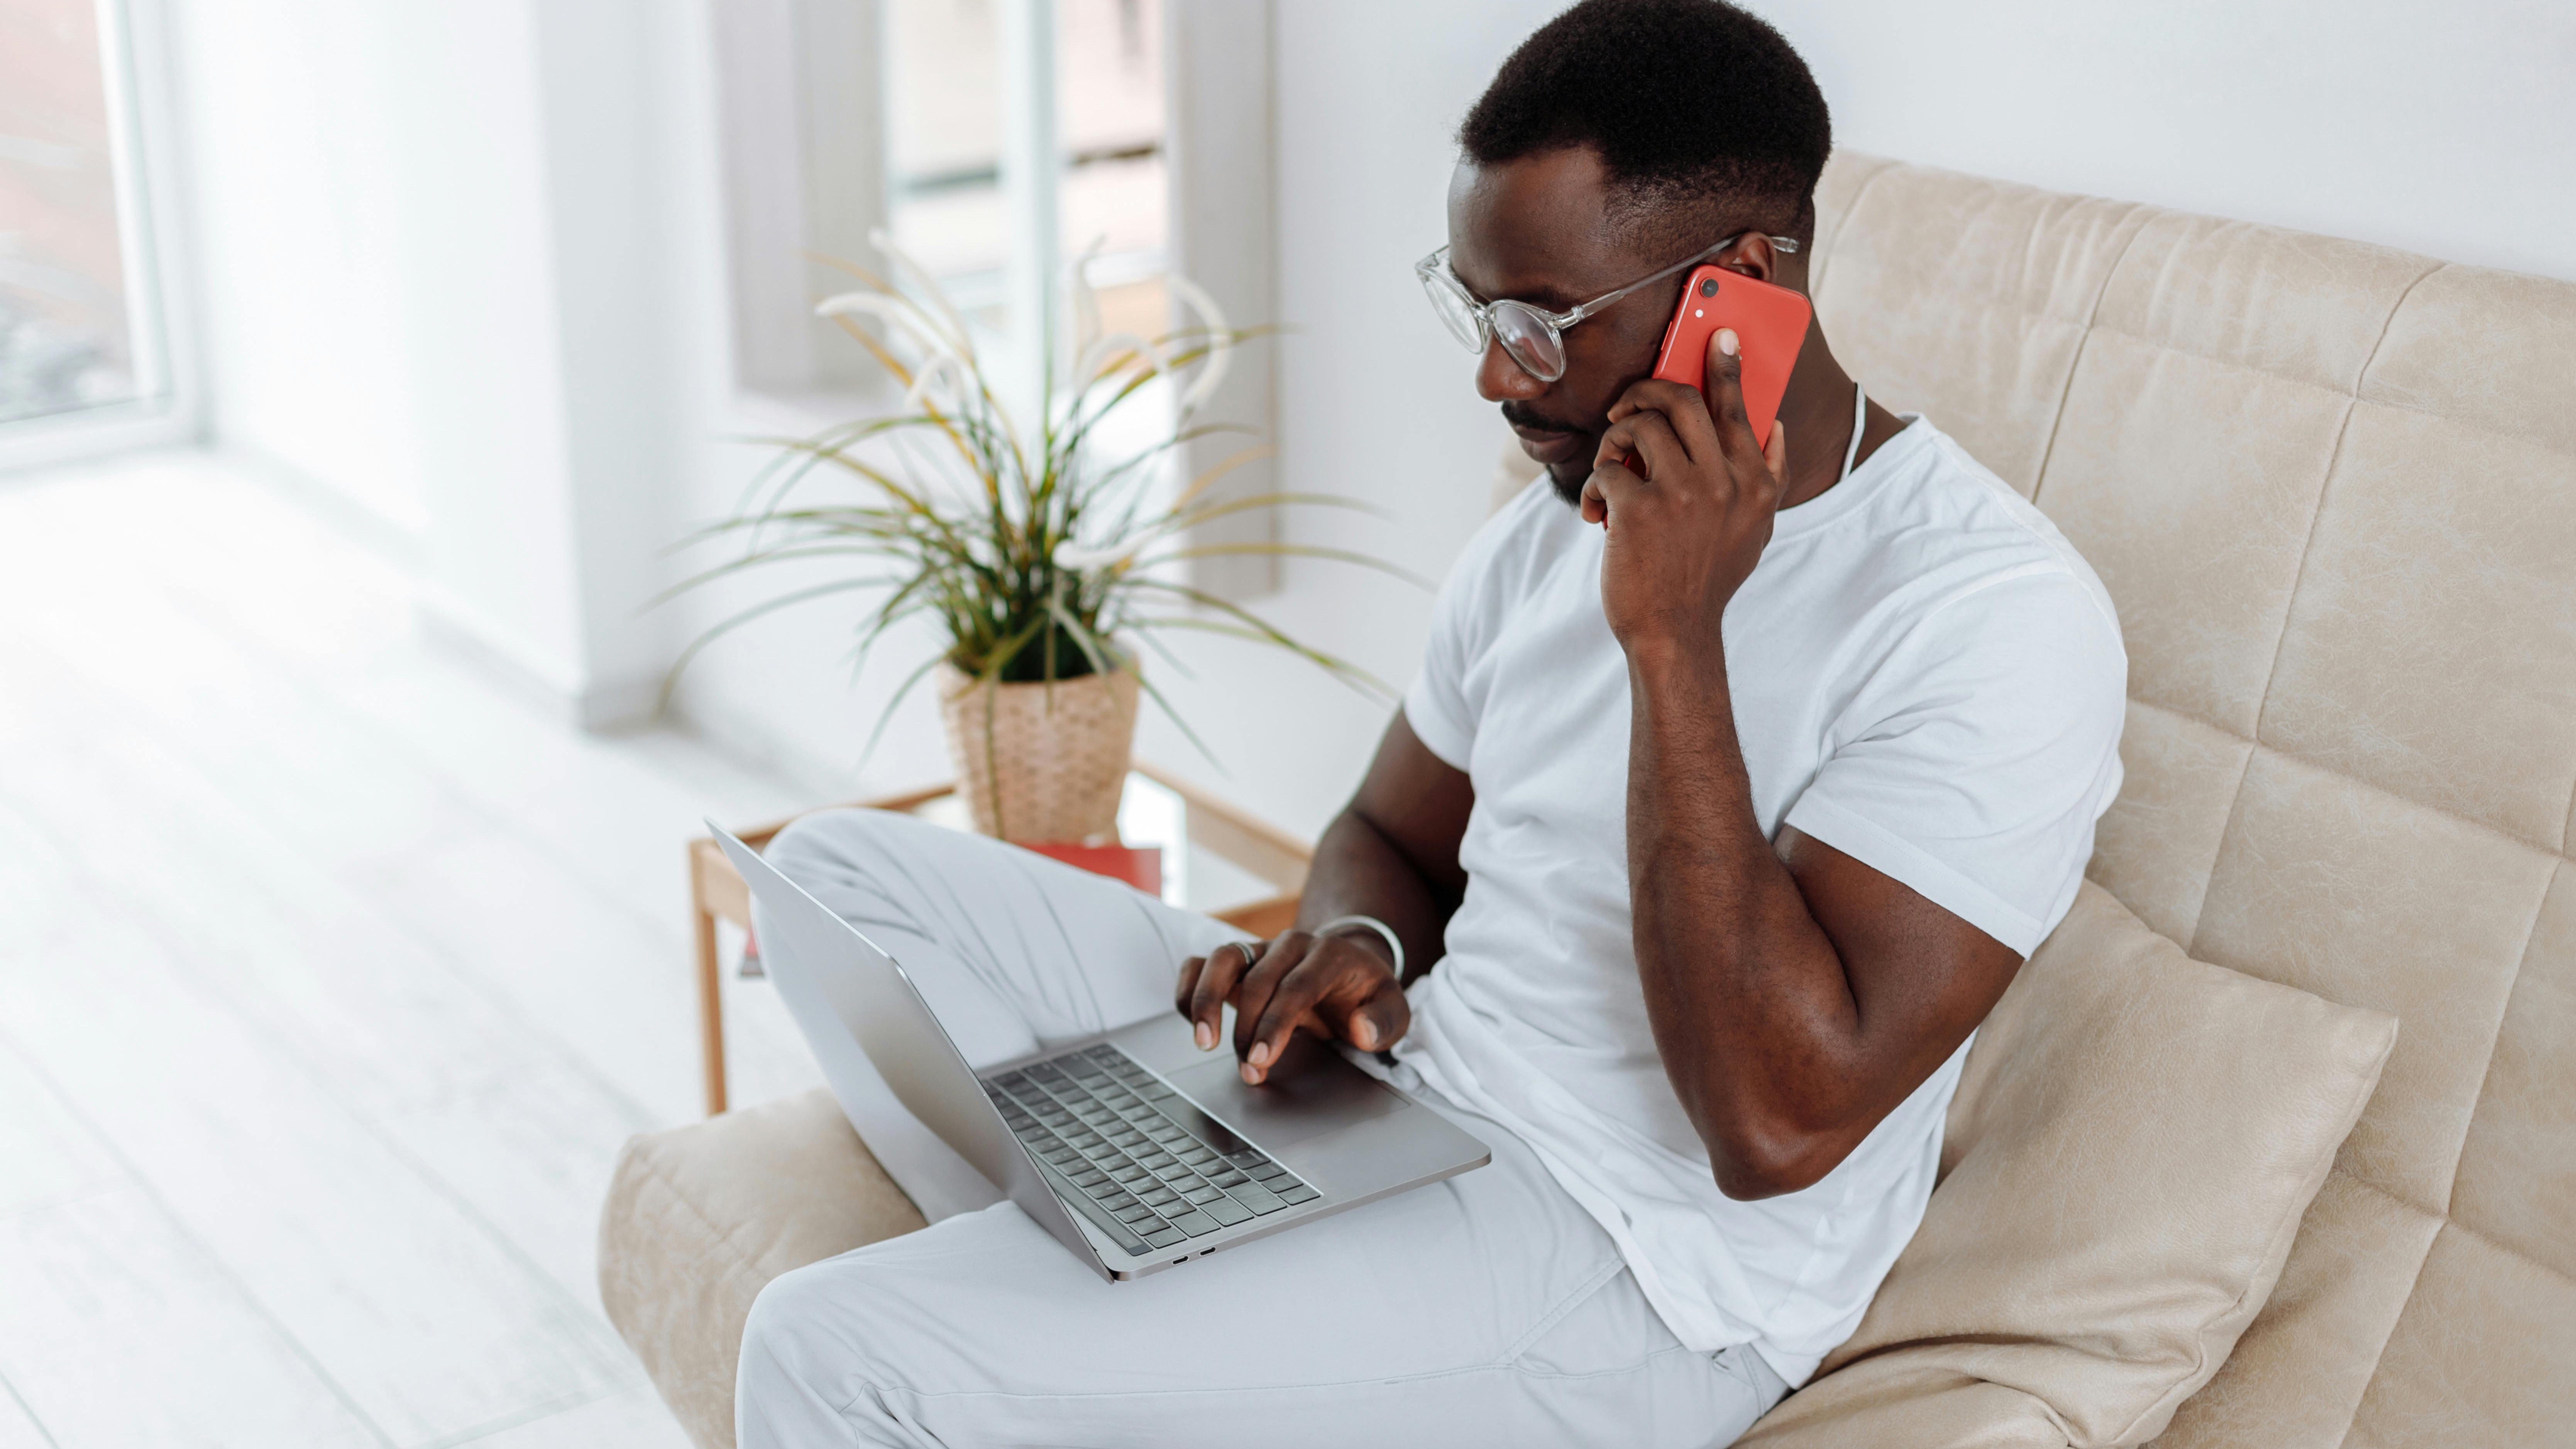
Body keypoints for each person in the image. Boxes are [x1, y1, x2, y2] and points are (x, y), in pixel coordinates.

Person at [736, 0, 2127, 1444]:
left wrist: (1674, 632)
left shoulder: (1990, 614)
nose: (1494, 377)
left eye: (1536, 323)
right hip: (1411, 1094)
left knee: (831, 1345)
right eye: (1475, 310)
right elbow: (1388, 830)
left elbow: (1773, 1128)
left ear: (1739, 285)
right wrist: (1364, 945)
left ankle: (1103, 1316)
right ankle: (1134, 1270)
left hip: (1625, 1267)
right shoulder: (1545, 527)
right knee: (839, 877)